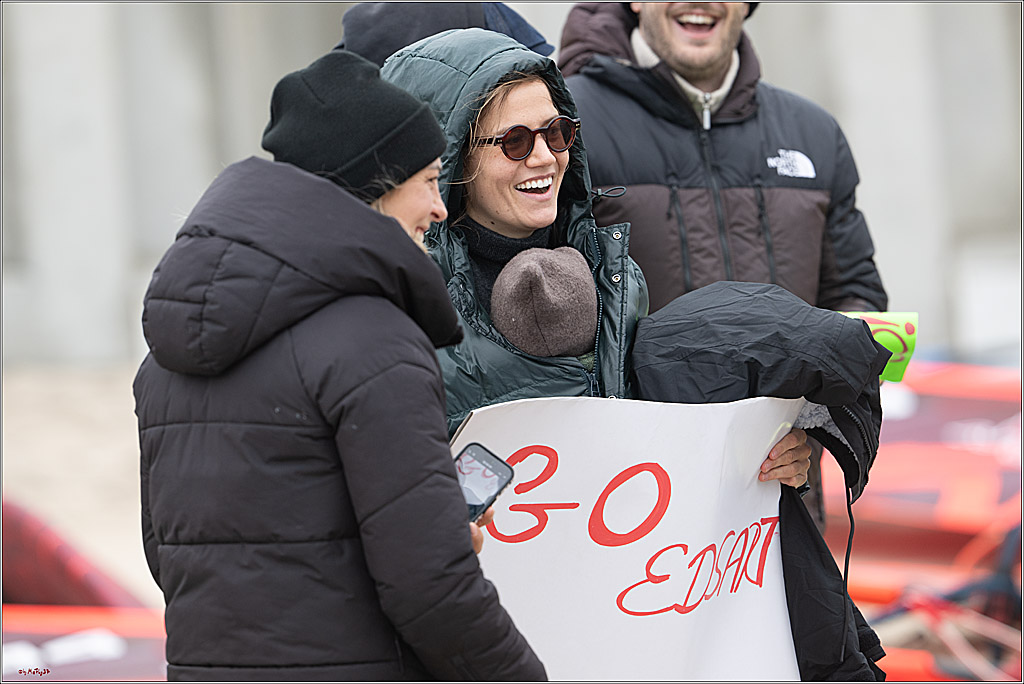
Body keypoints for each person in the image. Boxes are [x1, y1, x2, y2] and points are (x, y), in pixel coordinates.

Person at [133, 50, 546, 681]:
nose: (439, 209)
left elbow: (176, 559)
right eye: (429, 180)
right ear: (375, 188)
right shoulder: (375, 342)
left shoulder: (164, 360)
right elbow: (431, 590)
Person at [378, 27, 811, 490]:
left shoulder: (617, 277)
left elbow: (659, 446)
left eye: (558, 132)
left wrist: (763, 458)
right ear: (453, 159)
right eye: (515, 142)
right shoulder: (398, 311)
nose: (545, 157)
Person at [558, 2, 889, 526]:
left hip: (783, 503)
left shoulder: (813, 133)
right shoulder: (564, 127)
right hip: (624, 503)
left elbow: (855, 305)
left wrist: (809, 425)